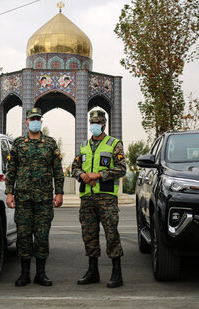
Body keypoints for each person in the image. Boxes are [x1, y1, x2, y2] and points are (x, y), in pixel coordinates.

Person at [5, 107, 64, 287]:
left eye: (38, 118)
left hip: (44, 200)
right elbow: (11, 171)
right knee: (23, 237)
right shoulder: (18, 144)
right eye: (32, 119)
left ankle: (41, 273)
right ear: (26, 122)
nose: (35, 121)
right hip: (23, 199)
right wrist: (9, 193)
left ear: (41, 122)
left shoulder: (50, 144)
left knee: (41, 236)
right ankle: (24, 274)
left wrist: (59, 193)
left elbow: (57, 170)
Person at [71, 110, 126, 288]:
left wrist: (99, 175)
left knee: (111, 234)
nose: (94, 125)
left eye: (97, 122)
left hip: (106, 197)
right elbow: (74, 167)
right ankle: (92, 272)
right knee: (89, 235)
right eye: (92, 122)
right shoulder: (84, 145)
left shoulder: (114, 144)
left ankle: (117, 274)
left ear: (103, 124)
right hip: (87, 197)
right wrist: (83, 175)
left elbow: (121, 168)